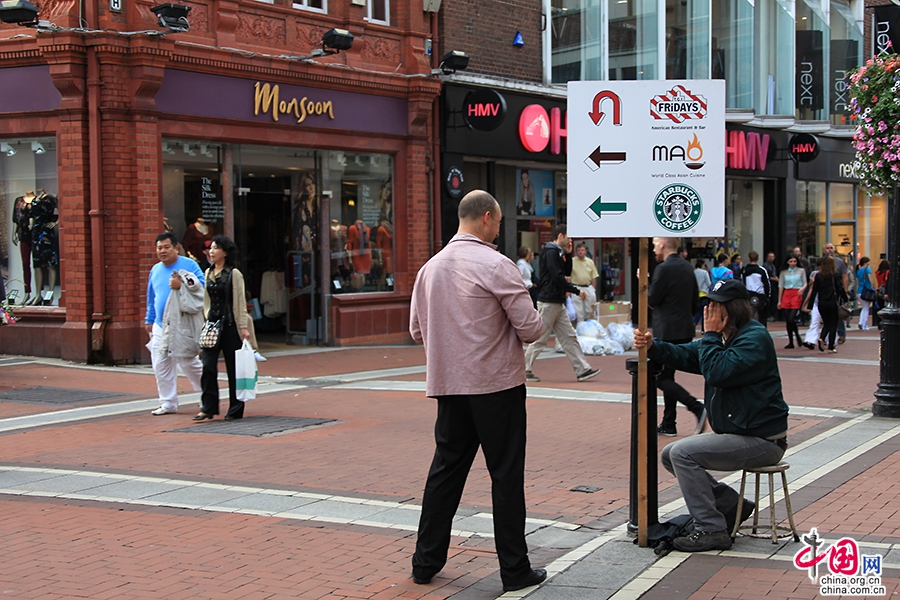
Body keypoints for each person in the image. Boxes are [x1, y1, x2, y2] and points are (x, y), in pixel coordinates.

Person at [409, 190, 547, 593]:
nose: (499, 230)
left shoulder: (429, 269)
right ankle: (514, 569)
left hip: (449, 386)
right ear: (487, 217)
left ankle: (425, 562)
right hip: (496, 386)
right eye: (499, 222)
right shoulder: (497, 264)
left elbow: (418, 331)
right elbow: (532, 328)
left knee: (445, 473)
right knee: (505, 476)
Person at [633, 279, 789, 552]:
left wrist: (711, 335)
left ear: (732, 309)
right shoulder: (725, 337)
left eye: (716, 307)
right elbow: (689, 355)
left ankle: (710, 529)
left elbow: (718, 370)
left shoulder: (754, 338)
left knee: (683, 453)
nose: (710, 312)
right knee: (670, 454)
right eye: (709, 305)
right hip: (739, 433)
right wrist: (653, 346)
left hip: (762, 439)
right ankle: (728, 505)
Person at [524, 225, 600, 383]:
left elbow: (566, 272)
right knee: (541, 338)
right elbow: (558, 277)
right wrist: (576, 291)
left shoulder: (558, 253)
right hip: (549, 301)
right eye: (568, 237)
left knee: (569, 337)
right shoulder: (551, 252)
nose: (570, 240)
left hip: (557, 302)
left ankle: (582, 369)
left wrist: (568, 252)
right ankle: (524, 369)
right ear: (560, 236)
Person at [649, 237, 705, 437]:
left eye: (655, 244)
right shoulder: (687, 268)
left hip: (667, 331)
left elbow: (652, 299)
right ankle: (669, 422)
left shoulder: (663, 269)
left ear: (663, 244)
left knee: (658, 376)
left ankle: (696, 407)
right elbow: (694, 302)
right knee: (666, 376)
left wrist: (643, 283)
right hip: (684, 329)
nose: (653, 248)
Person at [145, 232, 205, 415]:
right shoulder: (155, 270)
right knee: (160, 364)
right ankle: (168, 402)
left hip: (182, 323)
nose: (162, 251)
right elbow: (151, 297)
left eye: (166, 247)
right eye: (159, 248)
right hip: (160, 325)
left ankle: (207, 395)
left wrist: (182, 284)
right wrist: (149, 318)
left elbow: (201, 286)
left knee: (188, 361)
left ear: (176, 248)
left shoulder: (189, 265)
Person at [194, 235, 251, 421]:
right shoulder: (208, 272)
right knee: (208, 367)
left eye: (215, 248)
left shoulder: (234, 274)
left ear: (225, 252)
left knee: (234, 369)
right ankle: (208, 407)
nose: (211, 251)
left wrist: (243, 327)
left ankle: (235, 409)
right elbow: (206, 300)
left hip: (230, 327)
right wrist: (207, 319)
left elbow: (240, 302)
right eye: (210, 248)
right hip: (212, 326)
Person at [806, 255, 848, 353]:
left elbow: (814, 291)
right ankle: (831, 346)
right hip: (833, 302)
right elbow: (840, 288)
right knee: (833, 324)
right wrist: (846, 299)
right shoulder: (835, 275)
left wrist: (810, 305)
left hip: (822, 303)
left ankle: (822, 337)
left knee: (826, 323)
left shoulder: (818, 276)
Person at [776, 255, 807, 349]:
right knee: (788, 319)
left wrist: (802, 289)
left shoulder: (801, 271)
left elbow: (805, 282)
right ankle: (791, 341)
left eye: (794, 261)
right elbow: (780, 286)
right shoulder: (783, 272)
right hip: (786, 293)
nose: (793, 263)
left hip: (796, 293)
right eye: (791, 261)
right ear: (787, 262)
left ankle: (797, 335)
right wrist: (779, 301)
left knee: (791, 318)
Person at [822, 243, 849, 344]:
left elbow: (844, 276)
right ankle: (825, 335)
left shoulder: (839, 262)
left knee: (838, 313)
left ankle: (841, 333)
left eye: (831, 248)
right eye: (827, 248)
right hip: (825, 293)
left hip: (836, 292)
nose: (829, 250)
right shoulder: (822, 262)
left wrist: (845, 291)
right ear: (824, 251)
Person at [740, 251, 770, 327]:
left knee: (749, 315)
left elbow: (742, 282)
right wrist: (768, 295)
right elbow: (766, 284)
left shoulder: (745, 270)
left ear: (748, 258)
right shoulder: (762, 270)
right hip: (760, 295)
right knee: (762, 316)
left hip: (749, 294)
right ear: (758, 258)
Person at [570, 243, 599, 323]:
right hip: (576, 287)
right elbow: (568, 277)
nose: (580, 252)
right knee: (579, 310)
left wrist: (593, 289)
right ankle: (580, 326)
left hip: (588, 287)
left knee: (590, 309)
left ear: (586, 251)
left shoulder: (590, 262)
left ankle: (590, 324)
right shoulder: (572, 261)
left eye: (582, 250)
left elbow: (594, 276)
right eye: (578, 250)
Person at [856, 257, 877, 331]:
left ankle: (861, 322)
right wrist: (874, 287)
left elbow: (857, 282)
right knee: (866, 308)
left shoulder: (858, 271)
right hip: (866, 290)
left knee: (864, 307)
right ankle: (864, 324)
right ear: (866, 263)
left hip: (859, 291)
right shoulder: (867, 269)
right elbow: (871, 279)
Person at [693, 260, 711, 333]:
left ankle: (694, 323)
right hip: (704, 294)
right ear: (702, 265)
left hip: (696, 294)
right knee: (704, 312)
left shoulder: (693, 272)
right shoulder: (704, 272)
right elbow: (708, 283)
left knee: (698, 312)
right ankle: (703, 329)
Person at [874, 259, 891, 329]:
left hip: (879, 291)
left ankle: (879, 323)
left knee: (880, 307)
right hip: (884, 291)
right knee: (885, 307)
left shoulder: (877, 273)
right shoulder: (887, 272)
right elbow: (887, 281)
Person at [763, 252, 779, 321]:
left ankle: (771, 314)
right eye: (770, 257)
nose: (771, 258)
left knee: (774, 300)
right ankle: (768, 315)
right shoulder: (766, 266)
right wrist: (775, 279)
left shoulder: (773, 266)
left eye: (772, 257)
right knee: (770, 300)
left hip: (774, 285)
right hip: (769, 285)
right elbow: (766, 276)